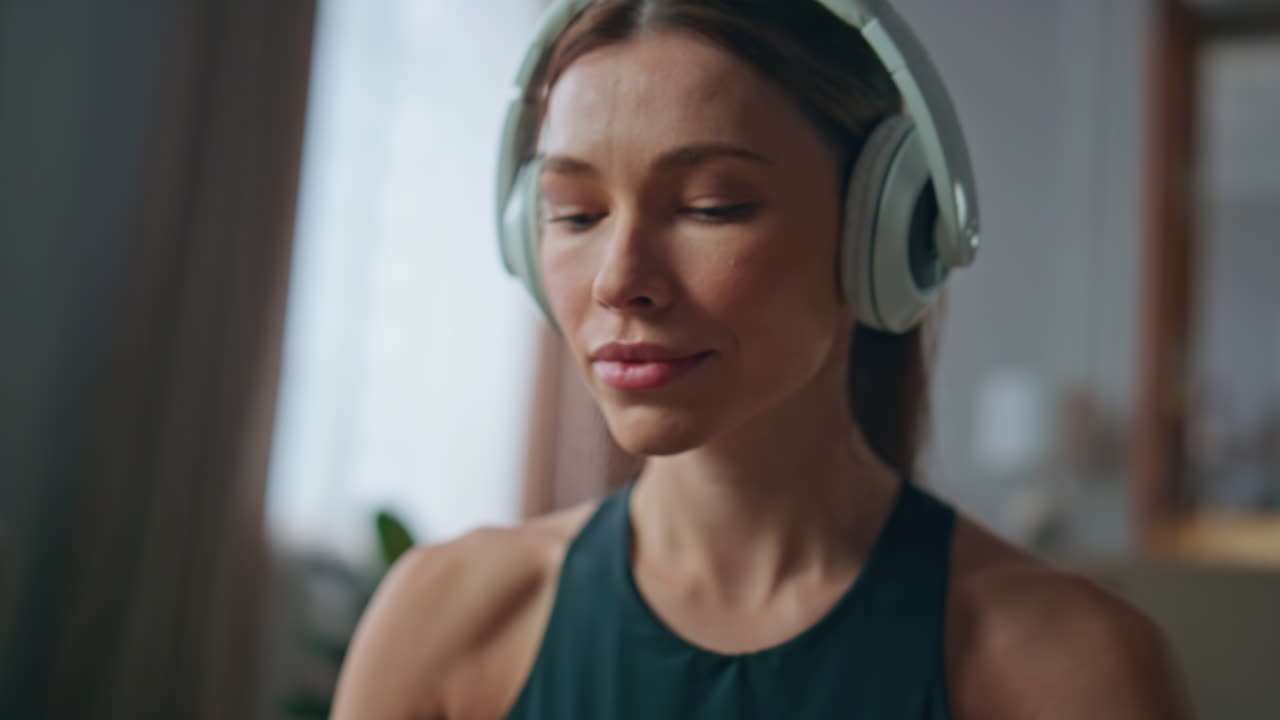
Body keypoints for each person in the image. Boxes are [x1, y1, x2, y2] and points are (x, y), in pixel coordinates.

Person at [332, 1, 1192, 717]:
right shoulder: (441, 618)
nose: (620, 283)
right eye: (576, 213)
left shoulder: (1074, 669)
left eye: (715, 205)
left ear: (888, 232)